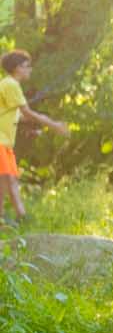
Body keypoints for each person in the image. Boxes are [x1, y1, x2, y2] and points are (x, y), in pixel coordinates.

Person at [0, 50, 70, 221]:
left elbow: (19, 116)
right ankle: (22, 217)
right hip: (0, 141)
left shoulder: (9, 85)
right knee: (9, 178)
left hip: (5, 142)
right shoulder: (10, 85)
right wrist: (54, 125)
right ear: (17, 68)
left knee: (5, 181)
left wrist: (37, 127)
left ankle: (3, 219)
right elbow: (28, 113)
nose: (30, 69)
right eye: (27, 66)